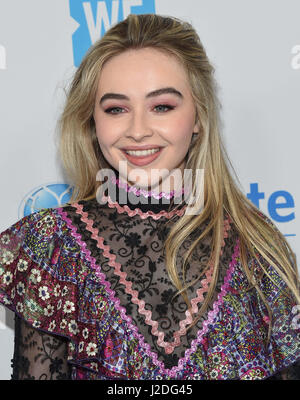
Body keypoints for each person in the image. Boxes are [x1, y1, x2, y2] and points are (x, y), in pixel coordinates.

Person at [1, 13, 300, 380]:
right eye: (116, 109)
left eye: (162, 106)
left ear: (198, 118)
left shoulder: (258, 246)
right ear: (92, 122)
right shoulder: (51, 248)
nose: (138, 130)